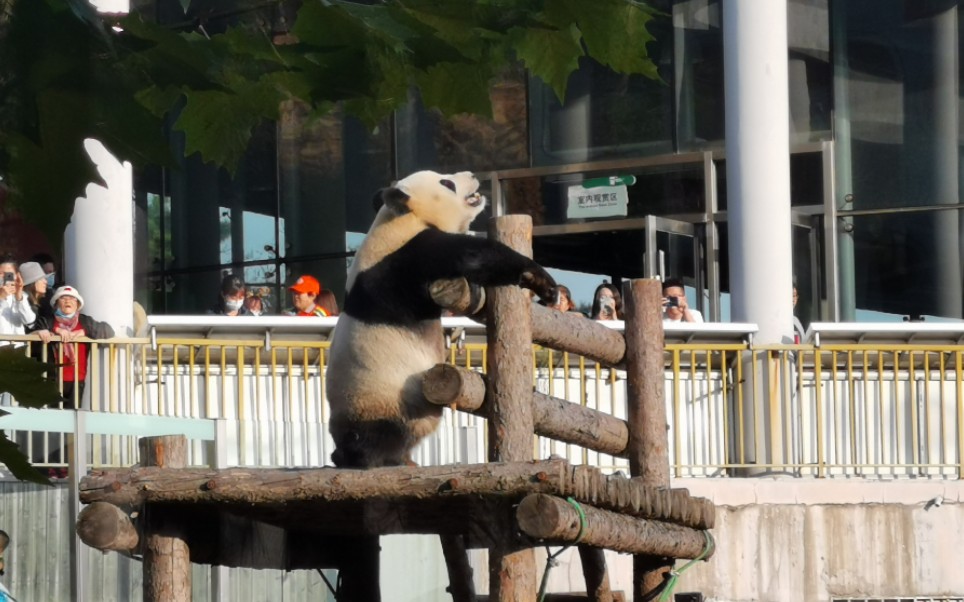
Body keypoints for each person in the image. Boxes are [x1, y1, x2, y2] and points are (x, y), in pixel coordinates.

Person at [33, 285, 115, 409]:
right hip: (52, 380)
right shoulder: (47, 321)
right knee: (53, 417)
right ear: (55, 304)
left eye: (72, 299)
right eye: (63, 298)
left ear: (77, 305)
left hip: (77, 379)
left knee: (73, 417)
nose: (68, 301)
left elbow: (108, 331)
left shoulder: (85, 321)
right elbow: (33, 333)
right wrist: (52, 330)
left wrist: (84, 332)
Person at [0, 255, 35, 342]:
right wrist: (1, 298)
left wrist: (19, 296)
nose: (5, 277)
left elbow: (30, 322)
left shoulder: (21, 296)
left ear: (17, 276)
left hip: (17, 350)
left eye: (9, 274)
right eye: (1, 274)